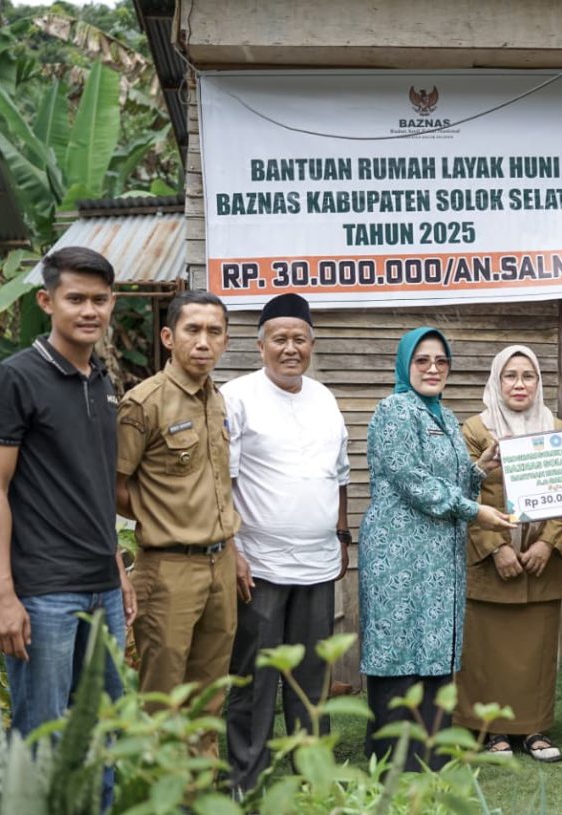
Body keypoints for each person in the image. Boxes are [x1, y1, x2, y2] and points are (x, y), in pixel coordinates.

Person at [0, 246, 132, 812]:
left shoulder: (102, 381)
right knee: (44, 736)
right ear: (47, 302)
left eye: (99, 299)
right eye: (75, 298)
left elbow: (91, 488)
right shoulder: (15, 380)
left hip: (102, 588)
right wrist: (1, 594)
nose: (89, 310)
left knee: (105, 730)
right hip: (44, 591)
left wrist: (118, 570)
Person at [358, 327, 514, 771]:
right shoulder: (394, 411)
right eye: (422, 360)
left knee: (433, 650)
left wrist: (478, 471)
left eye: (441, 361)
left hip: (439, 560)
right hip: (398, 555)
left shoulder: (443, 416)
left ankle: (429, 752)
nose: (432, 368)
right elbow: (415, 483)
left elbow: (448, 480)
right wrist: (476, 512)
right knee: (399, 651)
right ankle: (393, 758)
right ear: (406, 364)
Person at [221, 294, 351, 793]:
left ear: (312, 344)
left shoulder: (324, 397)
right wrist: (233, 551)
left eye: (300, 339)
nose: (290, 348)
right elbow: (224, 481)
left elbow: (339, 474)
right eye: (280, 339)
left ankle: (313, 780)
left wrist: (341, 533)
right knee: (253, 680)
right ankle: (245, 782)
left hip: (318, 565)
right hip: (260, 566)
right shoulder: (237, 396)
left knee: (311, 681)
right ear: (260, 345)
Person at [116, 290, 240, 758]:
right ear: (169, 337)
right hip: (168, 570)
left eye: (214, 332)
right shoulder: (142, 404)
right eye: (193, 330)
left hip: (220, 565)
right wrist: (160, 516)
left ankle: (198, 797)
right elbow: (115, 484)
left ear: (225, 341)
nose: (203, 341)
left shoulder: (217, 400)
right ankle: (157, 797)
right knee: (163, 700)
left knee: (208, 699)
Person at [454, 346, 562, 762]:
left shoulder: (554, 427)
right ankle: (492, 732)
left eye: (528, 376)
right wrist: (495, 548)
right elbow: (461, 493)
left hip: (540, 560)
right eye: (510, 376)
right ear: (496, 381)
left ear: (539, 382)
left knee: (536, 650)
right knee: (486, 650)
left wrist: (547, 542)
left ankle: (534, 729)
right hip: (493, 561)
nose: (520, 384)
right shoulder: (474, 430)